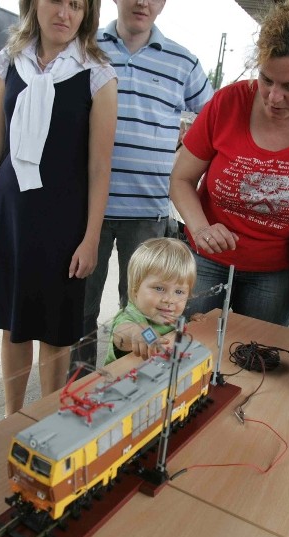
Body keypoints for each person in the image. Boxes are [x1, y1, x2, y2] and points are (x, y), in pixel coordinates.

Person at [0, 0, 117, 414]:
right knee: (14, 326)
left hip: (64, 218)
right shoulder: (9, 62)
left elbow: (100, 166)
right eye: (57, 1)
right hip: (11, 212)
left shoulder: (97, 74)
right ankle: (11, 421)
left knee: (55, 330)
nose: (65, 13)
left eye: (77, 5)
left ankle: (49, 418)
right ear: (33, 3)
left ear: (88, 13)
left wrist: (91, 237)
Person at [169, 0, 289, 329]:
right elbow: (181, 179)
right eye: (266, 79)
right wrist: (200, 229)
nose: (273, 97)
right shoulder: (228, 102)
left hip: (275, 277)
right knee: (189, 356)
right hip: (205, 262)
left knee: (255, 362)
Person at [78, 0, 213, 368]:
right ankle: (80, 394)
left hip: (148, 212)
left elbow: (213, 120)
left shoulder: (184, 63)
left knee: (145, 314)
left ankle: (136, 386)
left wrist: (186, 157)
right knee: (81, 314)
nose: (142, 2)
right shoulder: (85, 46)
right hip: (89, 210)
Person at [105, 237, 196, 364]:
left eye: (179, 292)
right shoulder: (131, 316)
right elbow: (122, 333)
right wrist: (140, 333)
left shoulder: (172, 317)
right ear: (135, 289)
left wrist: (192, 322)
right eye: (159, 288)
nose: (169, 299)